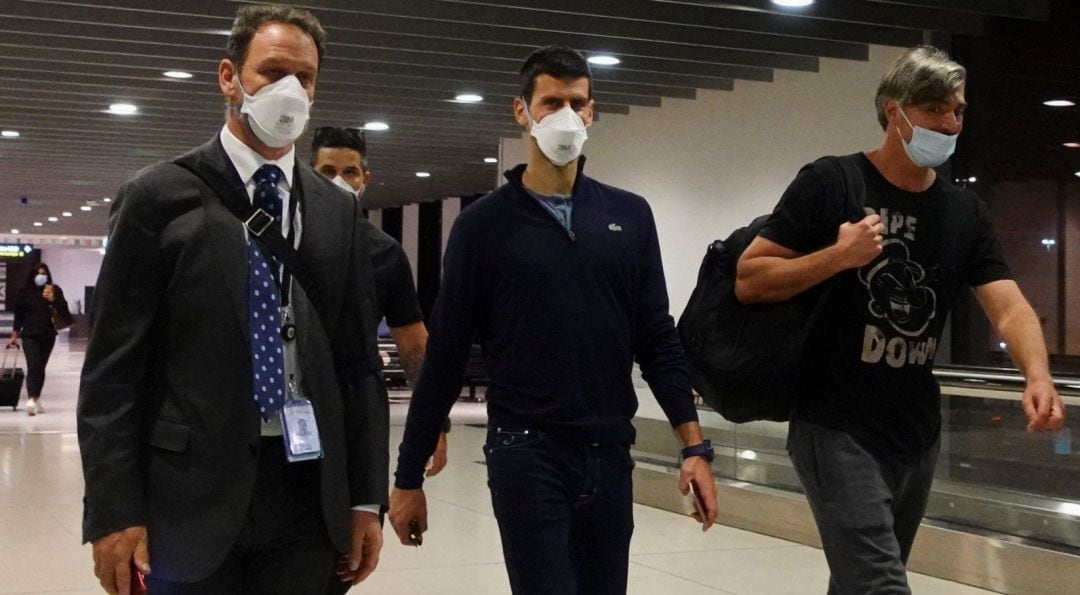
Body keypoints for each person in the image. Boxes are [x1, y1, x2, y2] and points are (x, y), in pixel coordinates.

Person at [78, 4, 390, 594]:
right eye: (272, 72)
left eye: (305, 78)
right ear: (229, 77)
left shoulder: (336, 210)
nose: (290, 90)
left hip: (308, 491)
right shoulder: (158, 197)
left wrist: (366, 498)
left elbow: (357, 366)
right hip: (190, 494)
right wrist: (114, 512)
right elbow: (113, 373)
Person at [388, 45, 719, 594]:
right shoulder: (483, 226)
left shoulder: (628, 216)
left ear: (592, 112)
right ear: (522, 112)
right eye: (551, 103)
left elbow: (657, 337)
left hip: (610, 451)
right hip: (527, 450)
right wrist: (407, 478)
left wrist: (694, 446)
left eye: (577, 103)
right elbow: (444, 354)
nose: (565, 116)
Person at [736, 46, 1066, 594]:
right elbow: (751, 277)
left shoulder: (963, 211)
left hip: (916, 430)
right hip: (834, 422)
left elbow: (1007, 305)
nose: (950, 123)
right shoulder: (832, 182)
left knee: (860, 582)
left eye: (958, 111)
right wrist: (838, 257)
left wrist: (1037, 374)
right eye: (935, 109)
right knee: (880, 586)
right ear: (894, 110)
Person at [310, 125, 451, 479]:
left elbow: (414, 346)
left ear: (365, 178)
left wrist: (435, 421)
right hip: (292, 405)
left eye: (349, 172)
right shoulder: (281, 242)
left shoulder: (385, 254)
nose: (339, 181)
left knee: (357, 525)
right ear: (307, 176)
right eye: (327, 172)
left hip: (357, 406)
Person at [9, 263, 69, 416]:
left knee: (40, 367)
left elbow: (63, 310)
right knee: (33, 364)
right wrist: (15, 334)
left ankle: (36, 398)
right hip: (29, 335)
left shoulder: (54, 291)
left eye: (44, 274)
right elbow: (19, 315)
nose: (41, 276)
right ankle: (31, 399)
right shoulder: (24, 293)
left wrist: (53, 299)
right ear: (33, 275)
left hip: (48, 334)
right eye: (38, 273)